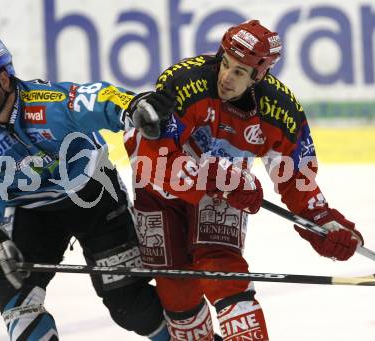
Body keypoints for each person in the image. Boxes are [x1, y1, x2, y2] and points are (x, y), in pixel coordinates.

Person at [124, 20, 364, 340]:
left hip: (225, 192)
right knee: (177, 292)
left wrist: (322, 221)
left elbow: (297, 178)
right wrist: (214, 177)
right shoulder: (183, 83)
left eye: (239, 72)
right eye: (225, 64)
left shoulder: (281, 110)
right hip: (162, 191)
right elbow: (150, 158)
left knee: (224, 271)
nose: (226, 77)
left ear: (258, 75)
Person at [0, 35, 176, 341]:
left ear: (2, 78)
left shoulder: (50, 102)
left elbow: (98, 98)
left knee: (129, 305)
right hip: (34, 214)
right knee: (16, 303)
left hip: (95, 198)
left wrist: (133, 104)